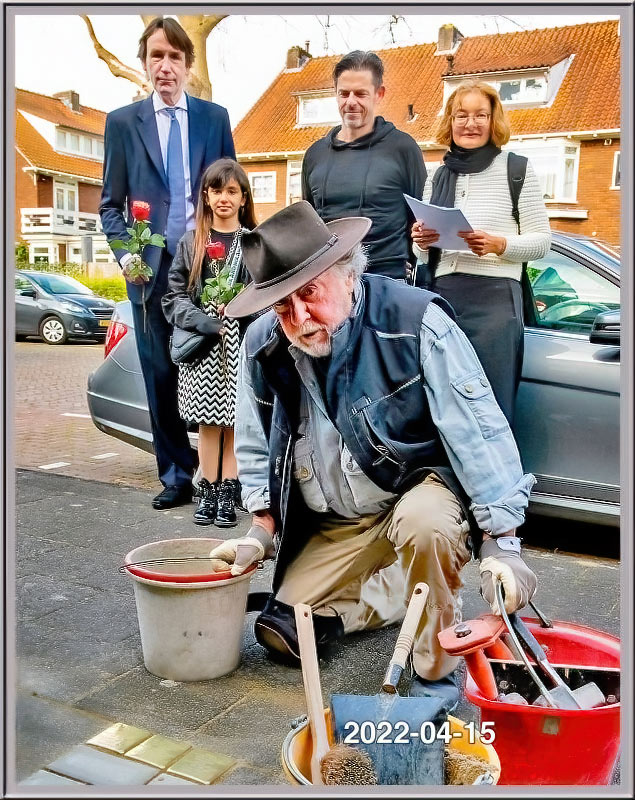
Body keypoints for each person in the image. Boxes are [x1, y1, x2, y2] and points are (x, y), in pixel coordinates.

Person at [210, 201, 537, 710]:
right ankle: (399, 595)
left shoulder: (414, 319)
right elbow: (254, 440)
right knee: (281, 630)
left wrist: (503, 546)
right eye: (282, 306)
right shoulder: (264, 342)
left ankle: (436, 674)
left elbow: (479, 432)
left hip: (413, 495)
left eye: (309, 295)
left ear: (345, 272)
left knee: (425, 525)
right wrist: (261, 529)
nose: (299, 319)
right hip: (339, 521)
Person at [100, 17, 236, 510]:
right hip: (149, 273)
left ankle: (221, 477)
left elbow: (230, 189)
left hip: (209, 267)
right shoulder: (121, 123)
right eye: (156, 56)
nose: (165, 66)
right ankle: (177, 475)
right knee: (161, 373)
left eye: (174, 57)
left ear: (187, 65)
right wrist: (127, 253)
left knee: (215, 372)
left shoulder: (214, 119)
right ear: (144, 64)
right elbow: (109, 205)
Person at [411, 79, 551, 423]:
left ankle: (494, 476)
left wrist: (499, 244)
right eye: (461, 115)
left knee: (491, 407)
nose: (470, 123)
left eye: (480, 115)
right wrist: (421, 240)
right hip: (444, 299)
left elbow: (543, 241)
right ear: (450, 121)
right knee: (444, 405)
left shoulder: (516, 169)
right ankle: (446, 478)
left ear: (493, 121)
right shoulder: (438, 175)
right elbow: (422, 258)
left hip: (495, 302)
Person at [162, 159, 257, 527]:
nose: (224, 198)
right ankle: (208, 490)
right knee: (207, 423)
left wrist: (240, 310)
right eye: (217, 190)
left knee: (233, 421)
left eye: (232, 191)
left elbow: (264, 292)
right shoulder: (193, 242)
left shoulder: (253, 242)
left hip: (240, 346)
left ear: (243, 198)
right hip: (204, 346)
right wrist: (206, 321)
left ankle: (227, 495)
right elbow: (173, 297)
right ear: (206, 195)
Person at [301, 50, 426, 281]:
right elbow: (310, 222)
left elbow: (419, 220)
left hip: (387, 280)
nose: (351, 102)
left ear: (379, 94)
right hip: (330, 280)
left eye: (360, 94)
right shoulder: (314, 155)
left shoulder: (403, 148)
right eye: (344, 93)